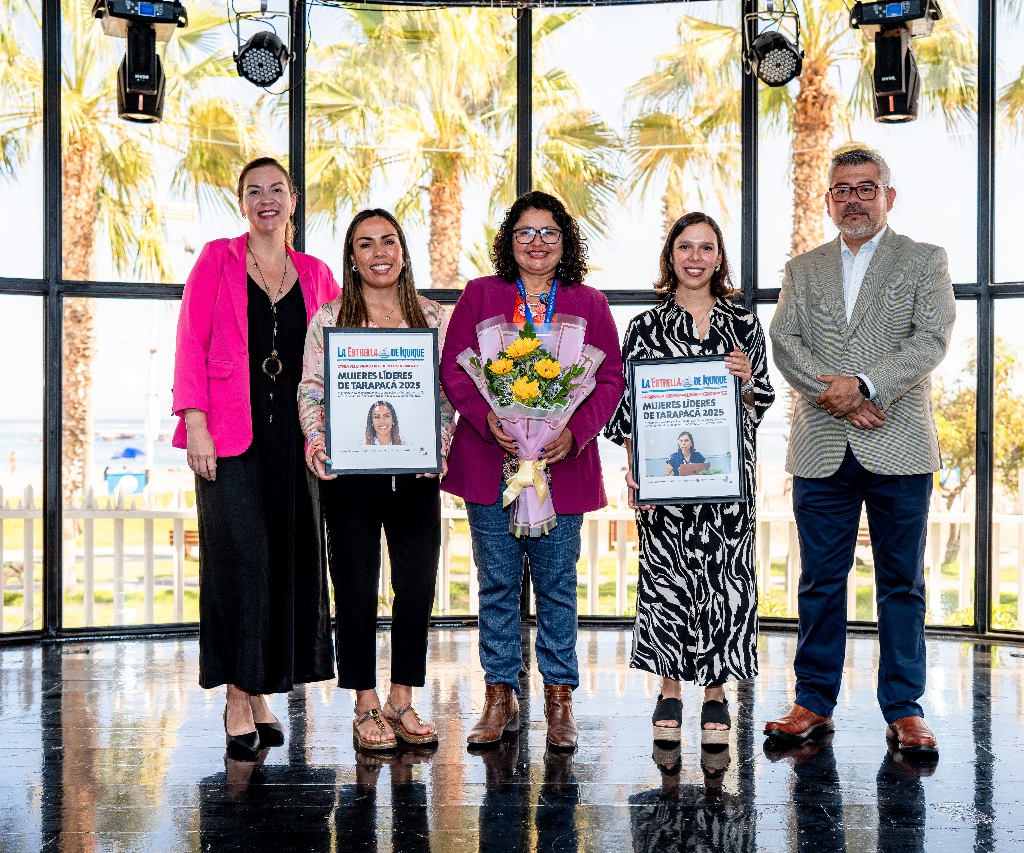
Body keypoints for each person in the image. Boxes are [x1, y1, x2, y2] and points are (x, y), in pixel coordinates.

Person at [766, 146, 956, 757]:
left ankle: (904, 709)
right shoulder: (803, 268)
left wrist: (866, 387)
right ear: (828, 200)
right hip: (821, 447)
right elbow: (785, 342)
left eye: (866, 188)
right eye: (843, 189)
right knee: (820, 580)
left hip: (899, 444)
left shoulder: (924, 260)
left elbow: (931, 339)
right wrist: (842, 398)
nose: (854, 199)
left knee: (902, 583)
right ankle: (813, 702)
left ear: (888, 197)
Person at [440, 190, 623, 751]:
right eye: (525, 232)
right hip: (489, 465)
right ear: (509, 241)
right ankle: (500, 695)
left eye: (549, 232)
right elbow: (455, 370)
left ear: (565, 242)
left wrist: (574, 433)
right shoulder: (480, 294)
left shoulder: (589, 303)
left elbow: (610, 379)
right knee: (497, 585)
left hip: (559, 470)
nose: (537, 242)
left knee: (557, 588)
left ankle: (559, 700)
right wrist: (487, 418)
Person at [172, 156, 339, 758]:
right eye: (254, 191)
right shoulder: (216, 260)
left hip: (296, 441)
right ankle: (237, 699)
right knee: (240, 564)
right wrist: (195, 424)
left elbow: (346, 351)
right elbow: (190, 341)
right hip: (228, 437)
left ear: (293, 200)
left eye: (277, 189)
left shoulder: (317, 274)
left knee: (286, 565)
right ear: (240, 202)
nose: (266, 199)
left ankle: (261, 694)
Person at [603, 212, 774, 746]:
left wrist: (747, 382)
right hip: (664, 486)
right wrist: (638, 474)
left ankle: (717, 693)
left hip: (729, 483)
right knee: (666, 580)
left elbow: (760, 401)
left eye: (706, 247)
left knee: (726, 580)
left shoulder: (744, 324)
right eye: (685, 246)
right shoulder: (643, 328)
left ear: (719, 257)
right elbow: (627, 411)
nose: (695, 257)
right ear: (670, 255)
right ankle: (670, 689)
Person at [299, 208, 455, 751]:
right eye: (365, 244)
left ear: (403, 252)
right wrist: (317, 442)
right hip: (350, 477)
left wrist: (439, 445)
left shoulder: (434, 318)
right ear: (352, 257)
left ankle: (401, 699)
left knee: (416, 587)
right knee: (356, 588)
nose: (379, 252)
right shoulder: (329, 318)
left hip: (416, 473)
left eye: (388, 241)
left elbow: (449, 395)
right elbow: (312, 390)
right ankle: (365, 701)